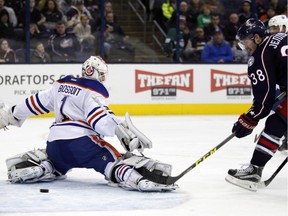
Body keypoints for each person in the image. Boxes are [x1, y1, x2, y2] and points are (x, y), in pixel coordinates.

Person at [0, 56, 178, 192]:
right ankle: (139, 179)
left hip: (55, 143)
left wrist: (11, 114)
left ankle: (44, 167)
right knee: (113, 162)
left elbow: (35, 102)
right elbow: (99, 118)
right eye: (101, 74)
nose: (102, 78)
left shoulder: (61, 84)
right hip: (83, 145)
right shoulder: (94, 90)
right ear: (95, 73)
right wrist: (120, 130)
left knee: (55, 163)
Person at [225, 18, 287, 191]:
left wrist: (248, 120)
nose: (245, 48)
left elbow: (264, 100)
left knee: (277, 123)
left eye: (245, 41)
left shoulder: (259, 56)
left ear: (257, 38)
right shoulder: (282, 36)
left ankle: (254, 170)